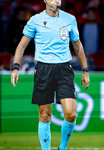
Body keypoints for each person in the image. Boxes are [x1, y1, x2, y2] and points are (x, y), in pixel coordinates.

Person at [10, 0, 90, 150]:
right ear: (45, 0)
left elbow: (77, 45)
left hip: (64, 70)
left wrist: (85, 71)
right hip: (43, 70)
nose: (57, 0)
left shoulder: (70, 19)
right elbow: (21, 45)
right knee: (45, 115)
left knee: (71, 114)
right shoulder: (35, 20)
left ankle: (62, 148)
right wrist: (16, 67)